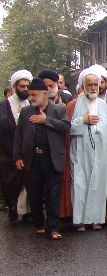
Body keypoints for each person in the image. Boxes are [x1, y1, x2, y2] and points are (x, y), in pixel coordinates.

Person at [61, 69, 107, 231]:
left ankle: (96, 219)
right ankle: (79, 221)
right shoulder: (73, 105)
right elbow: (66, 128)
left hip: (101, 152)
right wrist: (83, 121)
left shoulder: (104, 105)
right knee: (80, 185)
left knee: (99, 185)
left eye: (96, 84)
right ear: (82, 87)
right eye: (90, 85)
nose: (94, 88)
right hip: (80, 152)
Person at [13, 78, 70, 240]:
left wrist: (46, 121)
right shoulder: (26, 112)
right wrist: (17, 156)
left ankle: (53, 227)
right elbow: (19, 136)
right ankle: (39, 223)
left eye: (34, 94)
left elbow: (67, 127)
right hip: (32, 159)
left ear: (45, 94)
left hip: (52, 158)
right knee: (35, 194)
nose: (30, 97)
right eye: (29, 95)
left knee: (53, 195)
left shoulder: (58, 110)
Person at [0, 70, 32, 222]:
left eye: (27, 86)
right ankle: (13, 208)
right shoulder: (3, 106)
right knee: (10, 184)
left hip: (27, 151)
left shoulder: (31, 104)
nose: (25, 89)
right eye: (22, 86)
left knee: (28, 183)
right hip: (7, 151)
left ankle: (27, 212)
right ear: (14, 87)